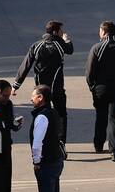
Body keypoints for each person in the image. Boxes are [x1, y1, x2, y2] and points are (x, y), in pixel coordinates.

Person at [14, 20, 74, 149]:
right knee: (61, 115)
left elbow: (26, 65)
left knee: (41, 115)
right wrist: (66, 39)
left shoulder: (37, 45)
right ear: (56, 32)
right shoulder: (60, 45)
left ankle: (42, 141)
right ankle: (60, 143)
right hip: (57, 88)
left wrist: (16, 85)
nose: (62, 33)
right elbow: (70, 50)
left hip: (41, 91)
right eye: (60, 31)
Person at [85, 20, 115, 160]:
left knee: (101, 116)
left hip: (101, 89)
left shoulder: (97, 47)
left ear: (104, 32)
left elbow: (90, 70)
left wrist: (92, 86)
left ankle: (98, 144)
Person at [26, 85, 64, 192]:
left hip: (46, 163)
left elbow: (37, 143)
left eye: (33, 96)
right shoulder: (54, 113)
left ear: (41, 98)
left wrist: (36, 161)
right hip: (56, 161)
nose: (31, 99)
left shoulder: (42, 117)